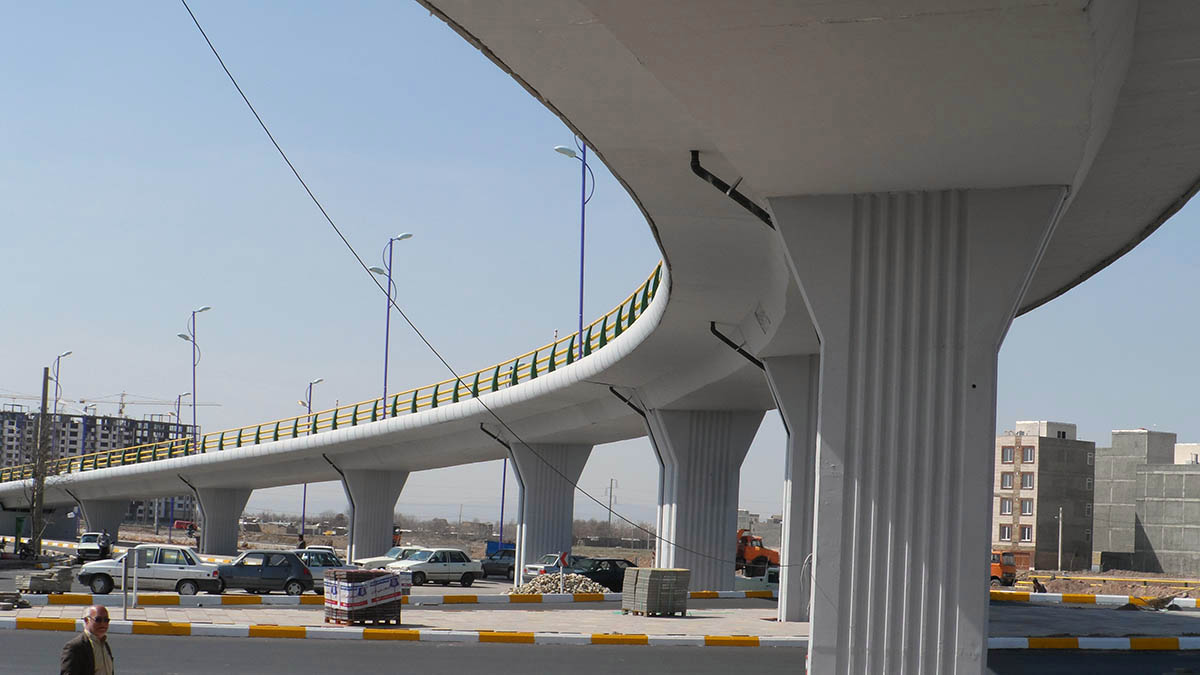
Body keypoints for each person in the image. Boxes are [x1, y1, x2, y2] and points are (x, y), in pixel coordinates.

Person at [60, 605, 113, 675]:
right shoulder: (75, 647)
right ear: (86, 620)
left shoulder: (104, 644)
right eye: (98, 620)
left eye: (106, 620)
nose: (103, 624)